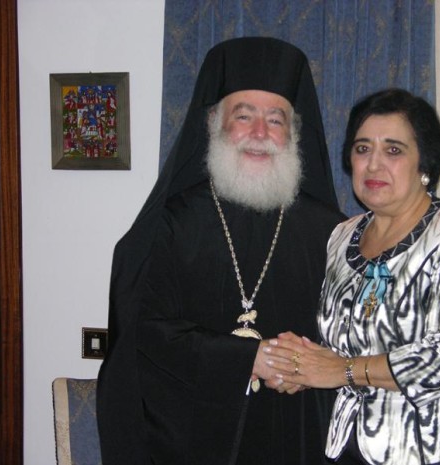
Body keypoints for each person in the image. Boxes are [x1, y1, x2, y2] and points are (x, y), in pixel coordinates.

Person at [96, 37, 346, 465]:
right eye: (243, 116)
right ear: (215, 123)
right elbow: (143, 329)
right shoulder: (172, 224)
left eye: (275, 120)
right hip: (194, 437)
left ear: (293, 133)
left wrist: (312, 365)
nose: (260, 134)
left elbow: (355, 337)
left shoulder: (329, 230)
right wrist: (247, 358)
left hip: (297, 432)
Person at [264, 88, 440, 465]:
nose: (374, 164)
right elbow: (346, 342)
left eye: (393, 150)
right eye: (363, 149)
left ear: (425, 164)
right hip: (352, 445)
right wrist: (301, 369)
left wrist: (341, 371)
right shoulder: (342, 236)